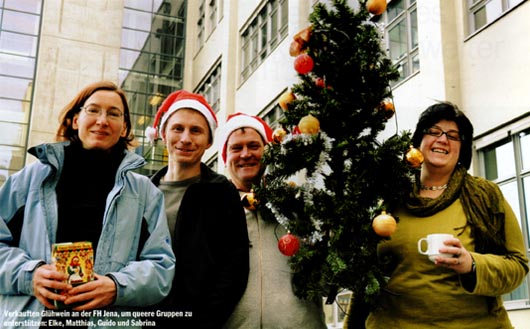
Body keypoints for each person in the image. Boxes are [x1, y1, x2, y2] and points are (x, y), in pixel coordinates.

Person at [0, 81, 175, 328]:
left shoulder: (145, 192)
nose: (102, 120)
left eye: (113, 114)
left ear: (124, 127)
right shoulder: (30, 180)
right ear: (75, 119)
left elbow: (161, 266)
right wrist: (30, 276)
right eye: (93, 110)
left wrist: (117, 287)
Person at [364, 102, 529, 328]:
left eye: (453, 136)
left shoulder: (485, 196)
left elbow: (518, 264)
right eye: (433, 132)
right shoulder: (390, 199)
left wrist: (472, 264)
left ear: (462, 148)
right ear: (418, 142)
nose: (442, 140)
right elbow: (363, 279)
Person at [145, 90, 249, 328]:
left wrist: (205, 321)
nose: (185, 138)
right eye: (178, 128)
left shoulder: (221, 191)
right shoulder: (144, 191)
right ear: (163, 133)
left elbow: (234, 269)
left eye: (196, 130)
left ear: (209, 141)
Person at [216, 113, 327, 328]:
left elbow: (325, 281)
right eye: (236, 148)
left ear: (267, 152)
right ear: (225, 157)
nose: (246, 154)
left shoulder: (298, 206)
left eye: (254, 146)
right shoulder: (213, 211)